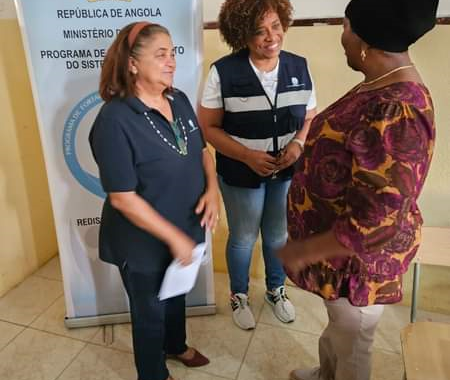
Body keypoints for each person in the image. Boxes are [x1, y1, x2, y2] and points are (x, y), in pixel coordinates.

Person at [278, 0, 439, 379]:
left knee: (353, 345)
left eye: (346, 25)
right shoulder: (379, 85)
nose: (342, 36)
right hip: (342, 263)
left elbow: (375, 221)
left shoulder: (397, 110)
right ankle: (323, 374)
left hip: (360, 267)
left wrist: (303, 249)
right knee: (338, 330)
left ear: (366, 40)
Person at [89, 21, 220, 380]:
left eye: (173, 52)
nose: (171, 61)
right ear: (132, 63)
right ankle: (153, 373)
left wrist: (212, 189)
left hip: (185, 225)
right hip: (141, 241)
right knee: (149, 312)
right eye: (160, 54)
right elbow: (122, 198)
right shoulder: (115, 120)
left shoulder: (177, 100)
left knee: (176, 293)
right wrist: (174, 238)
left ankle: (175, 345)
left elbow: (202, 153)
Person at [198, 0, 317, 330]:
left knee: (278, 235)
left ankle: (275, 290)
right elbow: (208, 127)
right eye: (259, 30)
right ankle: (238, 295)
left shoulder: (299, 67)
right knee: (244, 236)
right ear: (242, 35)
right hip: (240, 173)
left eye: (276, 26)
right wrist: (247, 156)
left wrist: (297, 143)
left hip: (285, 172)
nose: (271, 36)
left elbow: (309, 116)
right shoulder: (224, 72)